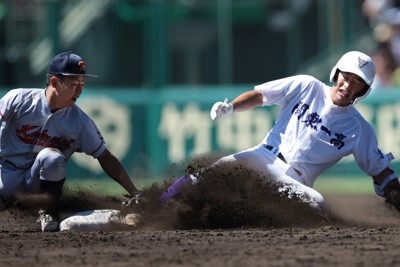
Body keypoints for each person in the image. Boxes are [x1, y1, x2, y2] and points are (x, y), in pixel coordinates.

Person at [160, 51, 400, 217]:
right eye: (346, 77)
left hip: (295, 182)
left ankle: (235, 215)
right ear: (336, 74)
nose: (347, 86)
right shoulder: (307, 86)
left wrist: (395, 192)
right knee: (210, 175)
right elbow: (261, 95)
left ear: (364, 90)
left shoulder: (359, 128)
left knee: (317, 204)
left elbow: (380, 172)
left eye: (357, 83)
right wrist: (232, 106)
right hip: (263, 157)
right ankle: (153, 207)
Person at [0, 51, 141, 231]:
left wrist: (134, 191)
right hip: (5, 173)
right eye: (74, 84)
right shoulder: (19, 99)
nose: (80, 90)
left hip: (36, 184)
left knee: (51, 157)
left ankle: (48, 210)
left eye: (82, 84)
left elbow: (105, 157)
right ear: (54, 82)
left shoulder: (80, 122)